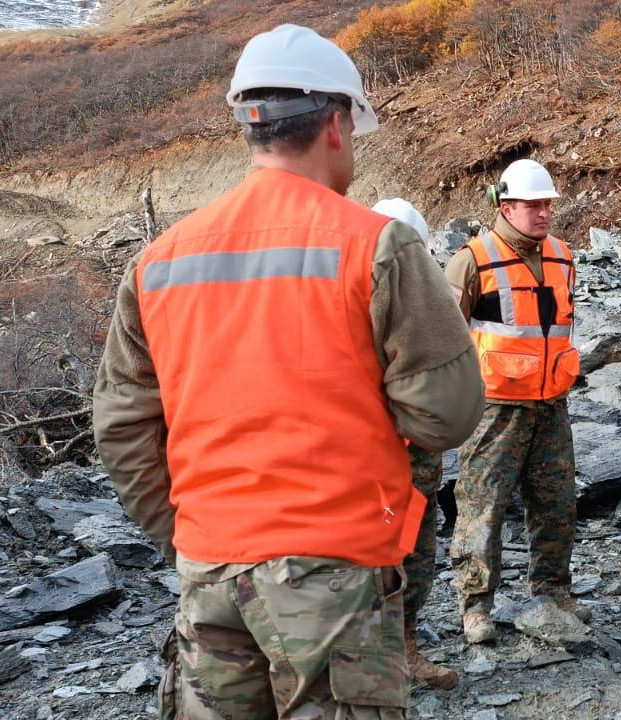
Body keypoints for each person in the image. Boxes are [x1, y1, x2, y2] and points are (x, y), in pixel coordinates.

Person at [92, 25, 483, 720]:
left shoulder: (159, 260)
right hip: (334, 573)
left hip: (208, 570)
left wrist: (188, 533)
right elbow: (447, 413)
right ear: (336, 125)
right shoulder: (377, 244)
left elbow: (122, 429)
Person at [445, 158, 587, 644]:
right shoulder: (472, 260)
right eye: (534, 205)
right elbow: (443, 338)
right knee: (482, 507)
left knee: (556, 504)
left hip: (551, 405)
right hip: (496, 409)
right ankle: (475, 604)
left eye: (548, 204)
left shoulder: (564, 256)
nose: (545, 212)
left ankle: (552, 589)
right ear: (506, 207)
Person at [370, 197, 459, 689]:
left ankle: (405, 647)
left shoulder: (432, 306)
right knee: (370, 560)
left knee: (418, 557)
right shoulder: (351, 307)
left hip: (421, 462)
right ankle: (366, 661)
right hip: (372, 464)